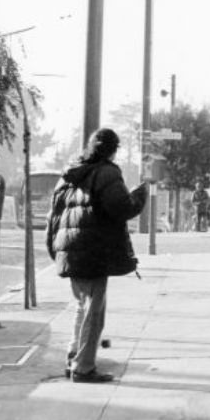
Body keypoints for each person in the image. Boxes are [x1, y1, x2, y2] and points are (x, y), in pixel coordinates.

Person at [46, 128, 146, 383]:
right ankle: (84, 368)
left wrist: (56, 250)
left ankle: (73, 356)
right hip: (93, 252)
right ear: (113, 150)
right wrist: (140, 195)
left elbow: (54, 216)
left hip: (69, 250)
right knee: (94, 313)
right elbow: (122, 208)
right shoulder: (107, 173)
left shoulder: (69, 174)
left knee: (82, 307)